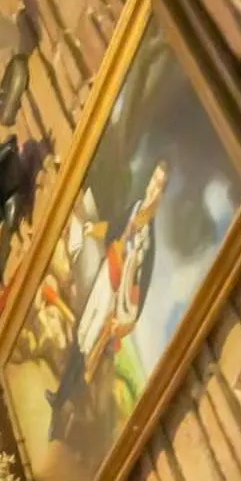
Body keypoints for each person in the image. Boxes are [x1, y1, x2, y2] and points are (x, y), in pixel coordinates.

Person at [39, 160, 168, 446]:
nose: (153, 188)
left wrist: (123, 320)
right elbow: (112, 229)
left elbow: (140, 288)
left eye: (160, 185)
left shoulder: (149, 240)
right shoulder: (135, 210)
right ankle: (60, 397)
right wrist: (89, 230)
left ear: (161, 193)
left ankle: (68, 413)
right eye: (153, 181)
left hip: (113, 296)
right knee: (81, 336)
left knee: (90, 353)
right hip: (101, 278)